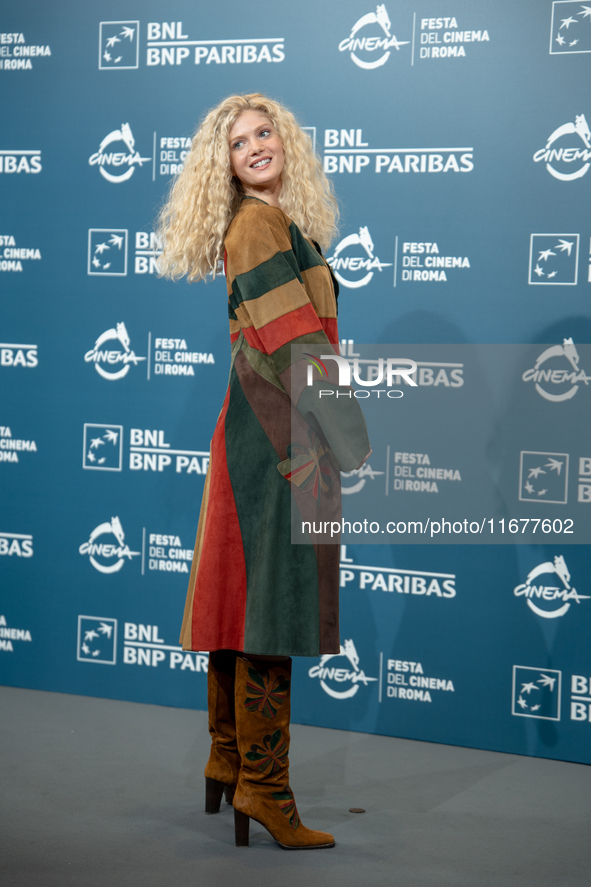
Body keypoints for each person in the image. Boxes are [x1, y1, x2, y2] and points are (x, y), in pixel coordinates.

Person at [157, 93, 370, 850]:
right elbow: (294, 342)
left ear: (285, 140)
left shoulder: (274, 223)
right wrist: (350, 439)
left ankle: (227, 761)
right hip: (280, 438)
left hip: (258, 434)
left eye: (262, 131)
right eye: (237, 141)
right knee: (271, 611)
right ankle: (266, 789)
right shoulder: (257, 225)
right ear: (225, 164)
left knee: (242, 605)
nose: (253, 145)